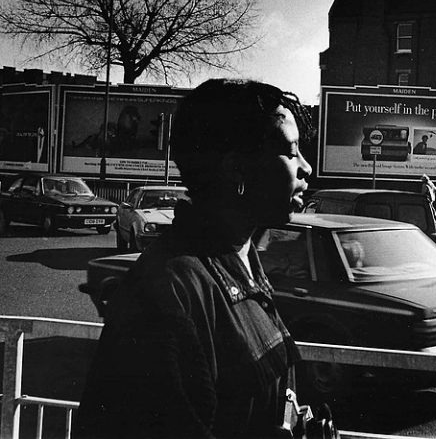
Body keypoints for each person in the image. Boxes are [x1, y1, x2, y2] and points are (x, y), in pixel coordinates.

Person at [74, 79, 315, 438]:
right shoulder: (169, 292)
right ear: (237, 170)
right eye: (291, 151)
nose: (306, 167)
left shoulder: (238, 260)